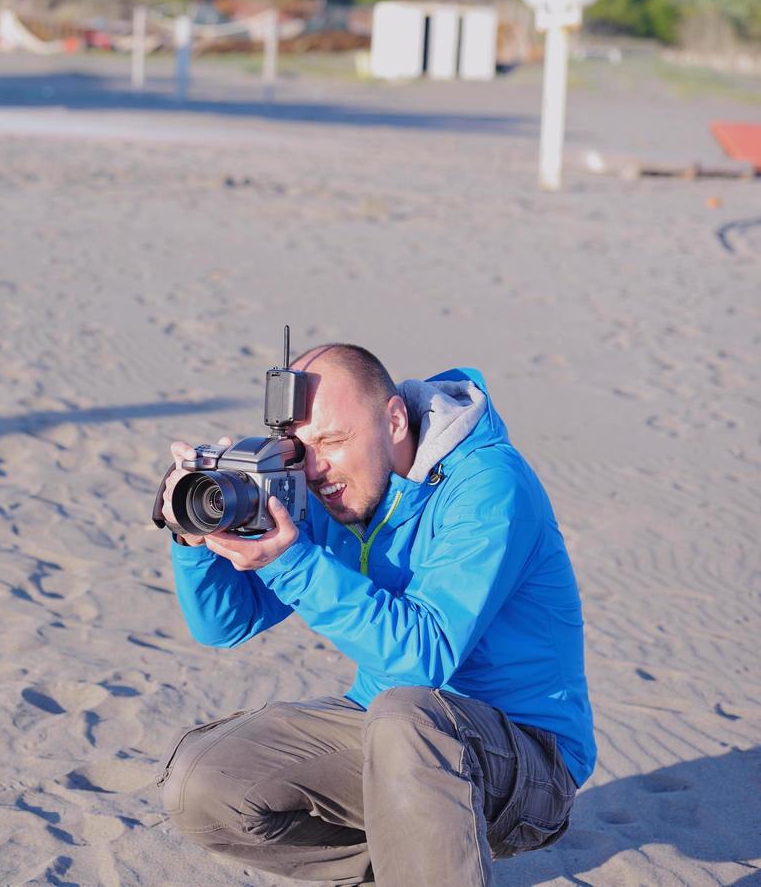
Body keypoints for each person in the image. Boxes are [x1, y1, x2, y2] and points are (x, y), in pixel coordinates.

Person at [157, 344, 594, 886]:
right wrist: (197, 538)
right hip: (391, 733)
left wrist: (292, 563)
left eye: (333, 441)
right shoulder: (324, 486)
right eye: (300, 447)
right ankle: (411, 867)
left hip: (529, 760)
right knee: (203, 780)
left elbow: (423, 659)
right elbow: (225, 624)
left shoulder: (487, 486)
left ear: (392, 420)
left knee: (404, 715)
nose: (316, 468)